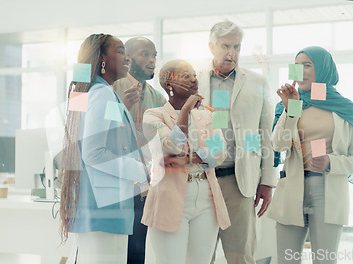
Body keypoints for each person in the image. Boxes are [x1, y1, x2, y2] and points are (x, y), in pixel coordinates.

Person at [268, 46, 353, 264]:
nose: (301, 71)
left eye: (307, 65)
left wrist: (330, 162)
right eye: (297, 66)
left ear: (322, 69)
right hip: (292, 191)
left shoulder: (347, 109)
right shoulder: (290, 104)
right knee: (286, 261)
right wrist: (291, 108)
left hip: (328, 193)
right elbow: (278, 144)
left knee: (325, 261)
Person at [59, 33, 148, 264]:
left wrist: (122, 109)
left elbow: (87, 136)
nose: (126, 56)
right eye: (120, 51)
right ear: (102, 59)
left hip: (96, 206)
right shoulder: (103, 94)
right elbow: (93, 152)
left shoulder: (92, 92)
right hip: (104, 208)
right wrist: (141, 170)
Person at [196, 21, 277, 263]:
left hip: (239, 182)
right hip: (201, 182)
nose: (232, 52)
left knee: (241, 256)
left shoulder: (257, 82)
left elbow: (266, 135)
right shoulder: (193, 80)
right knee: (200, 256)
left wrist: (268, 181)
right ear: (212, 47)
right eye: (226, 46)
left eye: (237, 46)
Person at [141, 60, 231, 264]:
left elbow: (221, 153)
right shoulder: (152, 115)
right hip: (168, 199)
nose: (193, 80)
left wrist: (187, 158)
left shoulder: (209, 114)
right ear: (168, 85)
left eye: (194, 75)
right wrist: (185, 113)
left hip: (207, 199)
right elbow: (170, 148)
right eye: (185, 76)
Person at [112, 37, 166, 264]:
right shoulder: (112, 87)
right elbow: (100, 132)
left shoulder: (157, 97)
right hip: (115, 185)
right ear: (128, 58)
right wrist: (120, 109)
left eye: (154, 55)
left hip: (144, 188)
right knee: (112, 252)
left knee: (138, 251)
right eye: (145, 54)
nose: (153, 60)